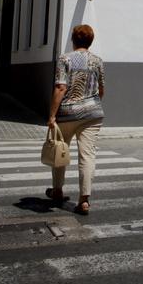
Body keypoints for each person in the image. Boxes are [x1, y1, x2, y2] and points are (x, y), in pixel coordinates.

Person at [47, 24, 105, 216]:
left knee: (59, 150)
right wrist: (91, 104)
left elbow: (60, 88)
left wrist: (52, 115)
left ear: (73, 40)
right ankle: (84, 200)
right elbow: (102, 89)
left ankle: (57, 190)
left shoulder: (65, 59)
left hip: (67, 114)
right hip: (92, 114)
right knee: (87, 155)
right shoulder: (97, 61)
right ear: (91, 41)